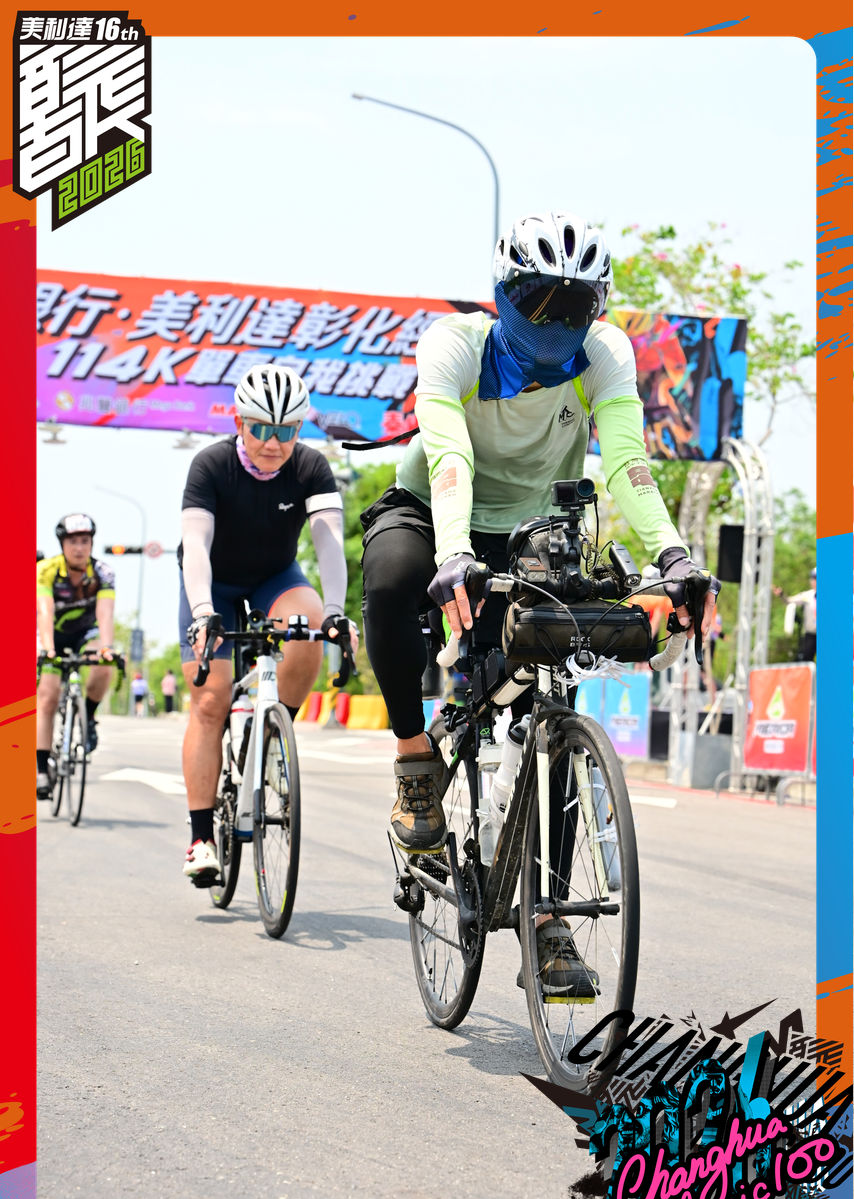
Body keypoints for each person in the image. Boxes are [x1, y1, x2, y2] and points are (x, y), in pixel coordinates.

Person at [361, 211, 720, 996]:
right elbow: (449, 457)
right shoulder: (455, 345)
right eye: (539, 300)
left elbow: (626, 462)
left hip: (534, 533)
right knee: (387, 583)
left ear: (598, 307)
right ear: (503, 295)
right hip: (434, 513)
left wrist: (673, 556)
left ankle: (548, 921)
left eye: (576, 304)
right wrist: (452, 552)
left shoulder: (605, 354)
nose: (557, 322)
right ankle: (416, 762)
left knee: (549, 704)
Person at [178, 363, 358, 885]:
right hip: (213, 584)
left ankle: (273, 738)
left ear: (299, 430)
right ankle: (200, 839)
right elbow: (196, 547)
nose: (273, 442)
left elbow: (328, 543)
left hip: (274, 578)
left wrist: (337, 610)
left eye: (286, 431)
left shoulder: (311, 467)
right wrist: (203, 612)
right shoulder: (210, 465)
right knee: (209, 701)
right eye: (260, 428)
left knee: (311, 625)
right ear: (239, 423)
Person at [36, 513, 116, 799]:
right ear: (62, 544)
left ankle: (89, 718)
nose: (79, 547)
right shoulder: (46, 570)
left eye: (85, 541)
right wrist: (48, 649)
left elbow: (105, 614)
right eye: (73, 542)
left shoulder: (103, 573)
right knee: (47, 696)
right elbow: (44, 611)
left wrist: (107, 647)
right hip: (54, 634)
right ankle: (41, 768)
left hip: (85, 632)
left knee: (103, 663)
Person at [777, 567, 816, 663]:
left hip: (827, 634)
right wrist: (781, 595)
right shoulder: (807, 595)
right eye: (812, 578)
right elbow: (789, 601)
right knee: (806, 659)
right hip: (810, 634)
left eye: (815, 578)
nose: (813, 581)